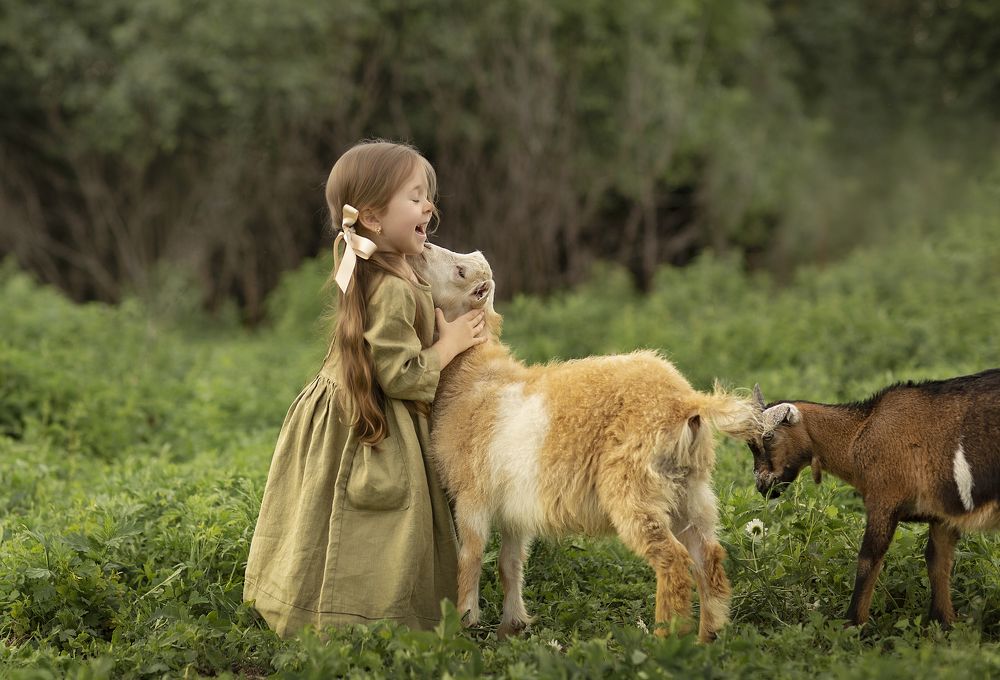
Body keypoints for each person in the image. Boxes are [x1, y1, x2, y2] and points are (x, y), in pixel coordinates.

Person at [244, 140, 487, 637]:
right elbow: (399, 375)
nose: (428, 207)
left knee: (327, 508)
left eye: (427, 197)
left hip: (336, 412)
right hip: (374, 417)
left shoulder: (384, 267)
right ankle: (369, 619)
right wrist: (451, 344)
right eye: (415, 197)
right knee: (377, 514)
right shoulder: (394, 285)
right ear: (374, 218)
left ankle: (307, 600)